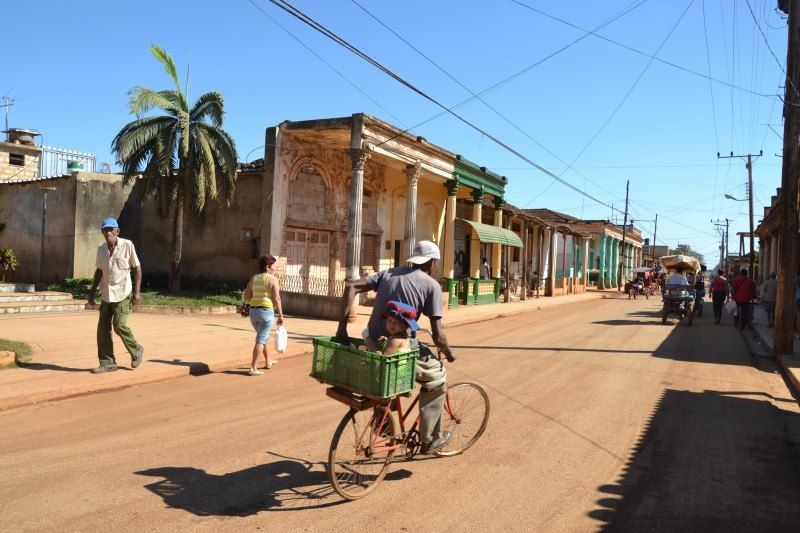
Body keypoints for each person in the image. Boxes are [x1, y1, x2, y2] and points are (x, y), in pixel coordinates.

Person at [336, 240, 457, 455]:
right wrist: (449, 352)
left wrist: (342, 330)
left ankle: (383, 421)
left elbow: (351, 286)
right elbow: (438, 335)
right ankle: (429, 440)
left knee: (389, 376)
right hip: (398, 346)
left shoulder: (388, 274)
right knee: (438, 377)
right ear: (432, 262)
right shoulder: (431, 285)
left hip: (373, 342)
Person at [87, 217, 144, 374]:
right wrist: (91, 295)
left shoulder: (127, 245)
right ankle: (107, 363)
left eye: (111, 229)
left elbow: (137, 268)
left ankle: (136, 349)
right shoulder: (101, 249)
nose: (108, 232)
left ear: (117, 231)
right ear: (102, 232)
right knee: (102, 329)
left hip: (123, 292)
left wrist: (137, 293)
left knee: (119, 325)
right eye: (105, 229)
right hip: (106, 293)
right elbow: (99, 271)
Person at [242, 254, 284, 375]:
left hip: (253, 313)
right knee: (261, 339)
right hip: (266, 312)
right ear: (267, 266)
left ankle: (268, 361)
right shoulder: (272, 279)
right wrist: (280, 315)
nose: (276, 267)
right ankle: (253, 368)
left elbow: (247, 296)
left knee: (262, 336)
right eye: (274, 264)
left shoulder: (253, 278)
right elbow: (277, 299)